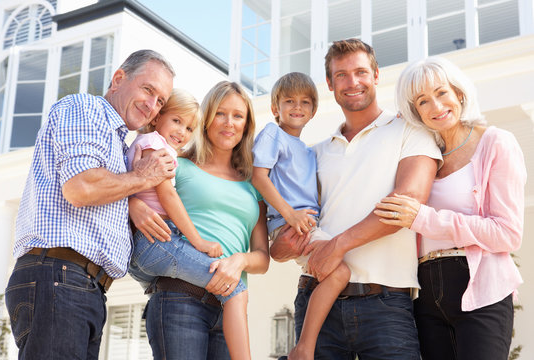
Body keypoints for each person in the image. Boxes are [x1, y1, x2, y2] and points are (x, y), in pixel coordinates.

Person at [270, 38, 443, 359]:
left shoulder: (410, 130)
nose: (353, 82)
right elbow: (282, 240)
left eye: (361, 72)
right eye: (341, 75)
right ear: (329, 83)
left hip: (387, 304)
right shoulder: (313, 154)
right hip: (316, 300)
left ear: (376, 74)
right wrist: (283, 245)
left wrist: (339, 245)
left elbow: (408, 202)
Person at [4, 49, 176, 359]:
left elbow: (100, 189)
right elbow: (81, 187)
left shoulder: (119, 144)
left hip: (84, 288)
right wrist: (142, 179)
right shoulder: (86, 109)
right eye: (148, 89)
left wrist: (131, 202)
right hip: (60, 276)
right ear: (119, 78)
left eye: (161, 100)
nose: (152, 105)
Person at [374, 56, 526, 360]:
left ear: (459, 93)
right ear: (415, 111)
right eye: (423, 101)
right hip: (425, 292)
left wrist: (425, 219)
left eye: (441, 92)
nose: (436, 106)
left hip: (480, 290)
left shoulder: (495, 143)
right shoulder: (423, 155)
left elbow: (508, 233)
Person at [128, 81, 270, 360]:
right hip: (181, 300)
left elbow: (263, 259)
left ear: (246, 124)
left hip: (229, 310)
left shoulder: (254, 184)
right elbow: (138, 188)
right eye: (220, 113)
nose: (229, 123)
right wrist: (133, 204)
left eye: (238, 116)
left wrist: (239, 260)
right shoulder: (177, 164)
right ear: (205, 119)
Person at [251, 72, 350, 360]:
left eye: (305, 102)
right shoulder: (273, 134)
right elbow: (259, 177)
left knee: (330, 273)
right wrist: (290, 215)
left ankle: (309, 344)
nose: (297, 107)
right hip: (289, 225)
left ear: (313, 111)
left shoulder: (308, 152)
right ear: (275, 108)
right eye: (289, 101)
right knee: (341, 271)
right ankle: (304, 348)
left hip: (307, 225)